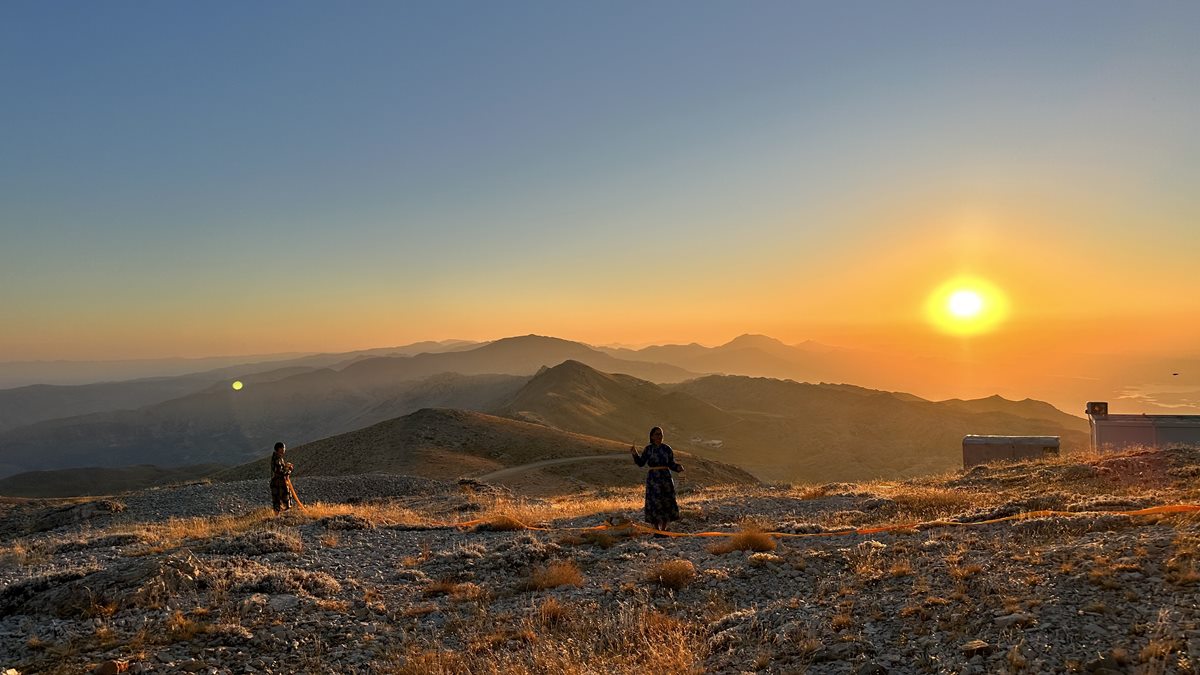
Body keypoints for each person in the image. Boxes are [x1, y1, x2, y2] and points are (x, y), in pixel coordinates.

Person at [630, 426, 683, 532]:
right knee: (654, 502)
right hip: (653, 479)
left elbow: (671, 464)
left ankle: (664, 529)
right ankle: (656, 529)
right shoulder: (648, 449)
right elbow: (641, 463)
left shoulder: (667, 449)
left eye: (661, 434)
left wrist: (678, 467)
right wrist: (635, 455)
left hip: (666, 478)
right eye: (657, 434)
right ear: (652, 436)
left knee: (666, 501)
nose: (660, 436)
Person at [270, 441, 293, 513]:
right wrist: (289, 469)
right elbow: (280, 472)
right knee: (283, 500)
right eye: (283, 448)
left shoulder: (278, 458)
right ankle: (284, 515)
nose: (284, 450)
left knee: (277, 501)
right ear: (279, 449)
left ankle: (279, 514)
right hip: (279, 483)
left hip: (278, 483)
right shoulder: (277, 459)